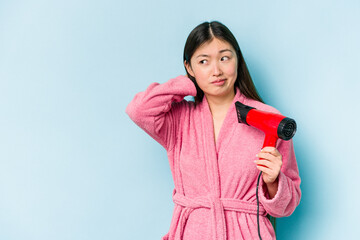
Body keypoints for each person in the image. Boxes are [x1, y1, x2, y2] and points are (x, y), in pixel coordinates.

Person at [126, 21, 301, 240]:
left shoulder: (268, 119)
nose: (216, 71)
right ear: (189, 67)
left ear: (237, 59)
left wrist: (274, 181)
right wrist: (188, 84)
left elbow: (287, 206)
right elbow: (138, 110)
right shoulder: (179, 120)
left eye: (224, 58)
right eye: (203, 61)